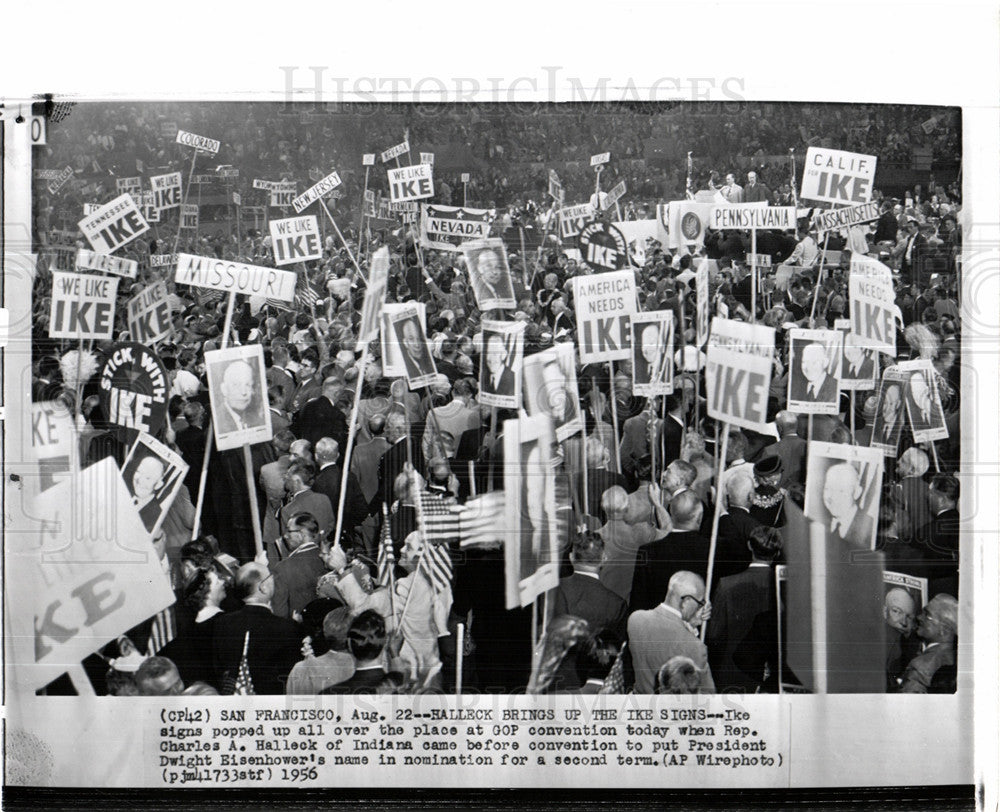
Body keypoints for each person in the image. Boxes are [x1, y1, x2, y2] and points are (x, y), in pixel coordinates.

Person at [706, 525, 782, 694]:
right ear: (776, 553)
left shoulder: (726, 585)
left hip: (733, 675)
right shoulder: (785, 588)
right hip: (774, 678)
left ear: (749, 546)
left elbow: (713, 635)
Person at [211, 563, 302, 694]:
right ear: (263, 587)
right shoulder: (287, 628)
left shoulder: (221, 623)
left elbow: (220, 670)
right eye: (270, 577)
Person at [628, 570, 714, 694]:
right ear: (686, 602)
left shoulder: (635, 619)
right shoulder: (695, 647)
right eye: (700, 603)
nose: (700, 608)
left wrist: (690, 624)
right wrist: (691, 627)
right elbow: (708, 695)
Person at [321, 609, 406, 694]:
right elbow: (399, 680)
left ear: (349, 645)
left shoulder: (328, 694)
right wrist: (395, 654)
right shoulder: (402, 692)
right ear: (386, 642)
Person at [270, 512, 329, 620]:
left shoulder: (282, 568)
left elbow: (279, 615)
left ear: (301, 535)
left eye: (289, 531)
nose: (285, 535)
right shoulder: (329, 561)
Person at [898, 593, 957, 693]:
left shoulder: (921, 665)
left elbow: (907, 704)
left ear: (945, 629)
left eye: (927, 615)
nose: (919, 617)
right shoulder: (957, 659)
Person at [821, 462, 875, 550]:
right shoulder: (818, 522)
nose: (832, 496)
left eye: (841, 490)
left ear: (857, 492)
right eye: (827, 488)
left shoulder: (870, 529)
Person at [291, 375, 349, 451]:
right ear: (337, 393)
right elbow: (339, 443)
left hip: (306, 452)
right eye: (341, 394)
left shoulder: (307, 405)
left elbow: (295, 428)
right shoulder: (337, 414)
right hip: (324, 455)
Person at [214, 358, 265, 433]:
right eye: (236, 385)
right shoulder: (216, 423)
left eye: (248, 385)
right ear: (224, 389)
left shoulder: (255, 419)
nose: (243, 392)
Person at [884, 587, 918, 691]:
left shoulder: (908, 644)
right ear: (884, 611)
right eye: (896, 611)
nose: (903, 622)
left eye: (909, 617)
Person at [129, 454, 167, 532]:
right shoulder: (124, 494)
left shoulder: (157, 516)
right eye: (138, 472)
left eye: (148, 478)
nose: (140, 480)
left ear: (158, 485)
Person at [395, 317, 437, 382]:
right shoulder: (403, 369)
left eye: (418, 338)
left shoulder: (429, 365)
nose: (417, 345)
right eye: (411, 339)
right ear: (405, 343)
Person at [906, 369, 943, 434]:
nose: (917, 396)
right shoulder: (917, 417)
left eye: (919, 390)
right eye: (914, 391)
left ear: (927, 390)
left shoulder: (938, 411)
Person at [632, 322, 667, 387]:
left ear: (660, 345)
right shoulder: (639, 372)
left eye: (651, 343)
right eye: (644, 344)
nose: (646, 350)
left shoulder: (665, 372)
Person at [481, 332, 516, 398]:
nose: (490, 359)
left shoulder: (513, 379)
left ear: (503, 355)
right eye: (488, 353)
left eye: (494, 354)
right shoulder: (483, 378)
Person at [872, 381, 904, 448]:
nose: (887, 409)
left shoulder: (902, 430)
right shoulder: (876, 428)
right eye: (885, 403)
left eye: (891, 403)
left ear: (898, 404)